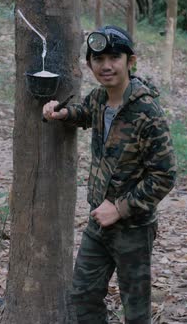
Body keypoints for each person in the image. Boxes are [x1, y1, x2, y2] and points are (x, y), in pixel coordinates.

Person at [42, 25, 177, 324]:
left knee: (136, 309)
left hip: (133, 228)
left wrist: (119, 208)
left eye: (114, 57)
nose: (106, 66)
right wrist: (63, 113)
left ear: (130, 62)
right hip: (98, 223)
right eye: (98, 59)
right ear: (90, 64)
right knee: (83, 294)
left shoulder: (148, 112)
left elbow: (165, 175)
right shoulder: (100, 98)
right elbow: (85, 112)